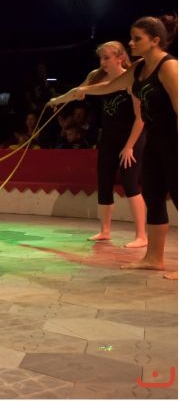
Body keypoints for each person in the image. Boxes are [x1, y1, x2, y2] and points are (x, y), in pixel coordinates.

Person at [49, 15, 177, 278]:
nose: (131, 43)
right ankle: (154, 258)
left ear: (155, 41)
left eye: (137, 38)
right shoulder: (139, 69)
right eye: (131, 37)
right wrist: (65, 96)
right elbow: (108, 86)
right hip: (154, 142)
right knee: (153, 197)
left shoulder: (169, 67)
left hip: (173, 141)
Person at [64, 42, 147, 247]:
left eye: (107, 58)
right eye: (101, 58)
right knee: (104, 182)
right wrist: (57, 100)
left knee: (130, 183)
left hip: (131, 138)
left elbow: (141, 118)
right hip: (109, 138)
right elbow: (78, 90)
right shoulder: (100, 79)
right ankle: (105, 231)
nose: (102, 62)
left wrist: (129, 146)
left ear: (120, 58)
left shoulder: (130, 80)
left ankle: (142, 235)